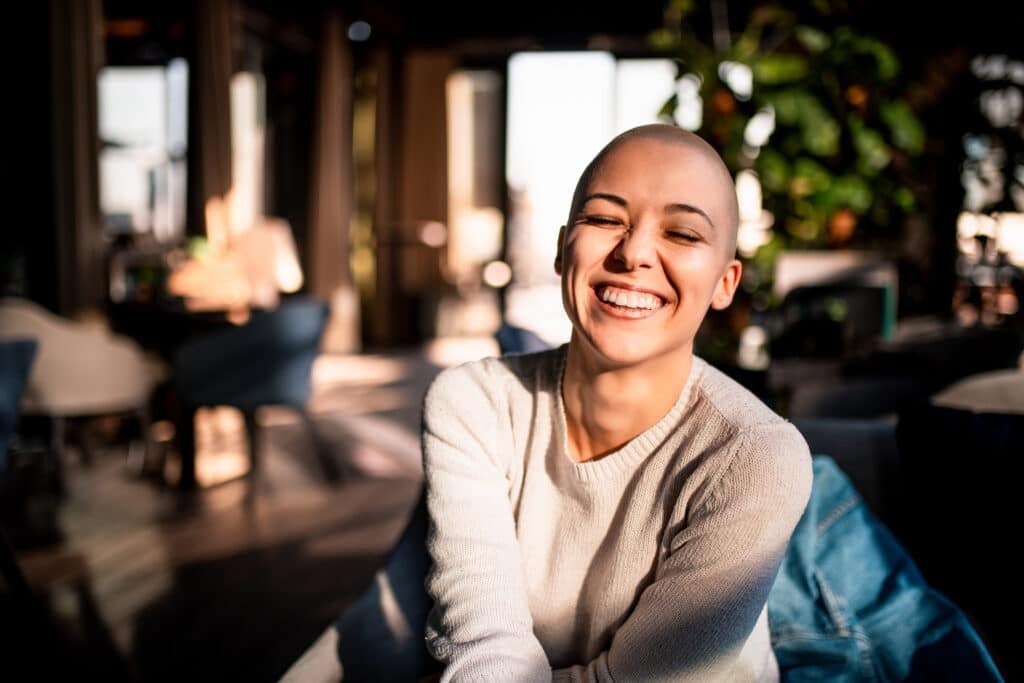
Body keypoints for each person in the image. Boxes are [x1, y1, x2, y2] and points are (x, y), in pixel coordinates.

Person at [279, 124, 812, 683]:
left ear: (726, 283)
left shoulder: (756, 457)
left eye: (681, 233)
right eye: (604, 219)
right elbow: (486, 648)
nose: (633, 253)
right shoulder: (474, 404)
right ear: (562, 250)